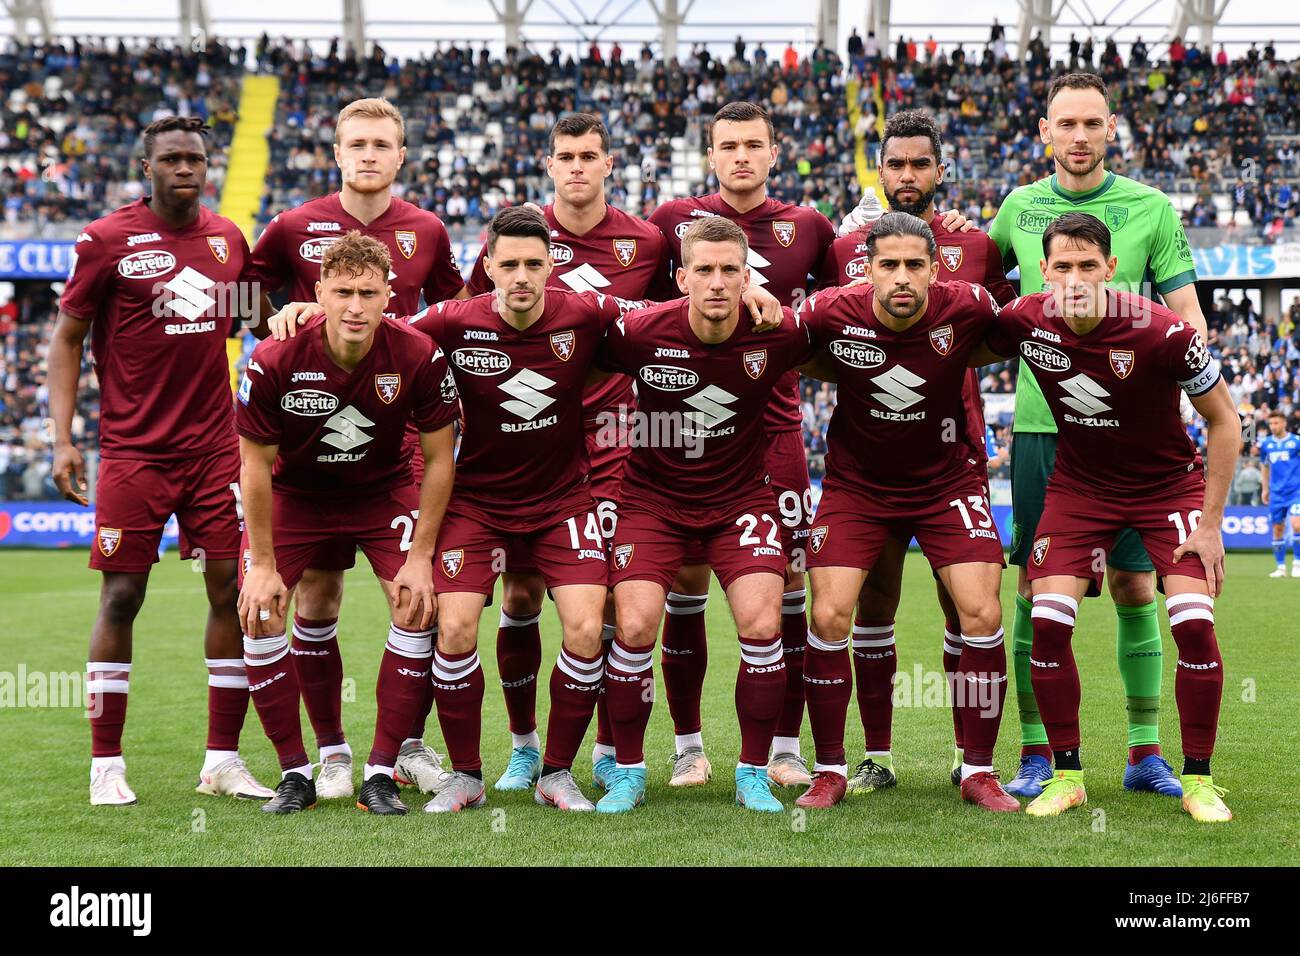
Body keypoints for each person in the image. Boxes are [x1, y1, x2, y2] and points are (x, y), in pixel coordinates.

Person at [988, 72, 1209, 799]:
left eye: (1092, 123)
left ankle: (1145, 752)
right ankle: (1038, 754)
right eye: (1066, 124)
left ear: (1111, 129)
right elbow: (983, 302)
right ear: (1044, 134)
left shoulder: (1150, 208)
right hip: (1040, 428)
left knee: (1134, 581)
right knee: (1036, 589)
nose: (1079, 136)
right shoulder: (1017, 207)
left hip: (1131, 441)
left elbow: (1189, 316)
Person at [978, 213, 1239, 824]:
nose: (1073, 279)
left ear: (1110, 268)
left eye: (1086, 266)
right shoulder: (1025, 319)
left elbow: (1225, 421)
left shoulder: (1167, 333)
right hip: (1079, 488)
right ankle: (1067, 776)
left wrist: (1210, 523)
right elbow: (954, 328)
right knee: (1047, 623)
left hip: (1167, 489)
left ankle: (1199, 779)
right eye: (1061, 267)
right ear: (1043, 272)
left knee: (1194, 626)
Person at [49, 116, 272, 806]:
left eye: (195, 158)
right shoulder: (106, 240)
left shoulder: (227, 240)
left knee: (226, 597)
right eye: (171, 158)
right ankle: (105, 764)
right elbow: (65, 340)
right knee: (121, 595)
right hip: (133, 453)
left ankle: (222, 762)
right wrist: (62, 437)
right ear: (147, 167)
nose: (185, 168)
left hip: (214, 451)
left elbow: (262, 321)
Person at [248, 97, 467, 799]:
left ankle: (395, 753)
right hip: (302, 476)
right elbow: (245, 303)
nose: (369, 154)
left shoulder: (427, 232)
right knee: (302, 602)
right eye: (356, 143)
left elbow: (455, 317)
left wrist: (405, 349)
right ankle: (321, 757)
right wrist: (278, 315)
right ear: (336, 152)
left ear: (401, 154)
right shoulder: (290, 228)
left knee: (419, 599)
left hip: (389, 460)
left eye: (382, 143)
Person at [462, 114, 673, 793]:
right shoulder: (514, 239)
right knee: (521, 591)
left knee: (606, 602)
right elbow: (471, 325)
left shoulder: (646, 241)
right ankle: (525, 748)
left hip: (614, 443)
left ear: (609, 163)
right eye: (565, 156)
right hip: (529, 441)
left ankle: (610, 748)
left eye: (589, 155)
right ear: (549, 165)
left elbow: (674, 325)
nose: (577, 166)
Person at [795, 213, 1018, 812]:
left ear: (935, 266)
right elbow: (782, 345)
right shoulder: (829, 311)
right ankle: (831, 769)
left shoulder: (968, 305)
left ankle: (978, 770)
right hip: (858, 486)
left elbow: (1021, 333)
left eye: (914, 265)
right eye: (888, 265)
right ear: (867, 269)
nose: (901, 277)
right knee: (831, 614)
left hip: (948, 482)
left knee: (980, 610)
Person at [595, 217, 814, 813]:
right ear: (681, 277)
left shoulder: (777, 332)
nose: (717, 283)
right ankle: (629, 772)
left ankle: (751, 773)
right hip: (651, 501)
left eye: (730, 271)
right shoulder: (640, 332)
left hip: (740, 500)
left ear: (748, 278)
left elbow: (846, 323)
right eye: (705, 270)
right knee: (634, 627)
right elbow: (570, 335)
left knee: (764, 625)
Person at [648, 101, 837, 788]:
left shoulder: (808, 227)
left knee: (787, 589)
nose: (741, 157)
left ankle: (785, 748)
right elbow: (638, 311)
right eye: (728, 145)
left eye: (753, 144)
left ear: (774, 152)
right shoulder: (672, 223)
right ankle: (688, 746)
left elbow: (845, 310)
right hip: (684, 434)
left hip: (776, 436)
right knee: (685, 586)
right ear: (711, 153)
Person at [1259, 411, 1300, 576]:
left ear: (1284, 423)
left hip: (1296, 491)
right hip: (1276, 493)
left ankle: (1297, 563)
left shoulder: (1296, 441)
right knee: (1277, 529)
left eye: (1276, 423)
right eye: (1271, 423)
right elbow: (1264, 466)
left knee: (1297, 524)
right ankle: (1281, 567)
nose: (1273, 426)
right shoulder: (1266, 444)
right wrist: (1265, 489)